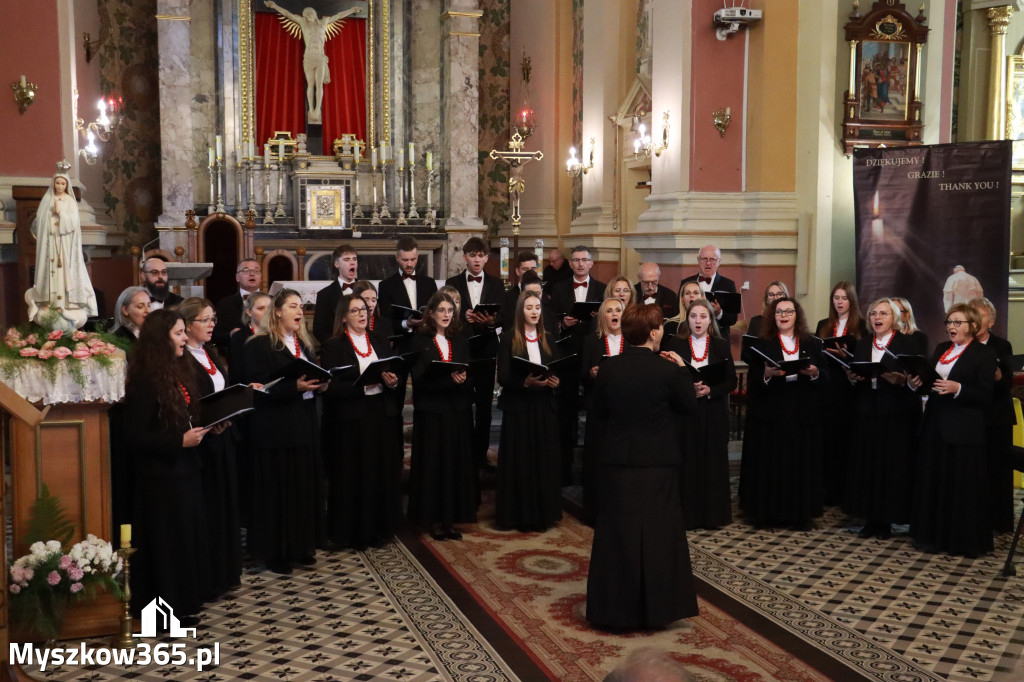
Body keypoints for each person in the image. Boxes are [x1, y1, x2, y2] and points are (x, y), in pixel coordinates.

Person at [586, 304, 699, 631]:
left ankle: (614, 610)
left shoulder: (609, 369)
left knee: (617, 535)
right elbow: (689, 407)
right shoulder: (667, 371)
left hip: (618, 462)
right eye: (660, 326)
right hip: (658, 464)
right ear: (652, 333)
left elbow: (598, 413)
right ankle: (658, 610)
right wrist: (683, 369)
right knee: (659, 536)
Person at [123, 309, 212, 627]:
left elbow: (186, 415)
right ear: (161, 339)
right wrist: (179, 441)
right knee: (165, 547)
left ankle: (183, 605)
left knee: (184, 542)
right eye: (178, 333)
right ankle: (162, 615)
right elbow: (134, 437)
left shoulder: (178, 371)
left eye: (184, 331)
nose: (185, 338)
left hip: (185, 470)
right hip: (160, 478)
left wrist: (210, 425)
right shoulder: (145, 381)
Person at [243, 289, 327, 573]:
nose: (299, 311)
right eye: (293, 306)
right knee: (278, 492)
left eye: (301, 306)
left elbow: (310, 377)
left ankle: (301, 546)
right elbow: (257, 387)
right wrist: (294, 387)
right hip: (275, 429)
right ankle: (276, 552)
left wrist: (321, 384)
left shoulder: (303, 343)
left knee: (301, 488)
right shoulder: (259, 344)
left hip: (303, 423)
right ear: (277, 311)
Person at [908, 303, 996, 557]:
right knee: (935, 482)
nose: (951, 327)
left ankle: (960, 540)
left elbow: (985, 394)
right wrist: (916, 383)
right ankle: (932, 536)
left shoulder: (984, 353)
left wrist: (958, 388)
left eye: (958, 322)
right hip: (935, 424)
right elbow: (932, 384)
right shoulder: (941, 349)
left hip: (963, 430)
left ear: (973, 326)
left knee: (960, 487)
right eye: (949, 322)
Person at [320, 294, 403, 549]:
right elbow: (330, 387)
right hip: (351, 419)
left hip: (380, 414)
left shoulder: (379, 340)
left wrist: (392, 382)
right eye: (355, 310)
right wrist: (363, 386)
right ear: (344, 317)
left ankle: (380, 529)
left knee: (379, 471)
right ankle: (353, 533)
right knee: (353, 474)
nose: (362, 314)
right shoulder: (334, 345)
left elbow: (393, 372)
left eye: (364, 309)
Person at [740, 297, 826, 529]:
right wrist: (766, 374)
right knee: (772, 465)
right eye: (779, 312)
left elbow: (826, 376)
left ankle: (799, 515)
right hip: (772, 413)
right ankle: (769, 514)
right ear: (772, 316)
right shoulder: (763, 344)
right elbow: (754, 378)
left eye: (789, 311)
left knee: (799, 466)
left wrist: (815, 373)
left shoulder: (812, 343)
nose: (784, 315)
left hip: (802, 414)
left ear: (797, 315)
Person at [179, 297, 242, 599]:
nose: (211, 324)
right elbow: (187, 402)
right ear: (187, 325)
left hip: (223, 438)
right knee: (209, 510)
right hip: (202, 444)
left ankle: (225, 572)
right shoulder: (181, 360)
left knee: (225, 506)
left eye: (213, 319)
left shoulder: (210, 352)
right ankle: (208, 578)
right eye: (204, 320)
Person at [843, 298, 920, 539]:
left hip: (895, 413)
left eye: (883, 313)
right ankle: (869, 519)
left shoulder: (907, 343)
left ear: (894, 318)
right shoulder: (863, 343)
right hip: (867, 411)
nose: (877, 317)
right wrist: (852, 379)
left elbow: (918, 379)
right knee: (867, 466)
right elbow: (856, 373)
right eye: (873, 313)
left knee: (890, 467)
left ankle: (885, 520)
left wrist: (904, 381)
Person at [407, 292, 477, 540]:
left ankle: (451, 518)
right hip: (432, 413)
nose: (446, 315)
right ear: (431, 313)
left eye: (450, 311)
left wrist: (463, 379)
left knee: (454, 465)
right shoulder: (419, 341)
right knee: (434, 465)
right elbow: (419, 379)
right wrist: (449, 380)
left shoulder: (460, 340)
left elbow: (470, 373)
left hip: (457, 411)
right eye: (442, 310)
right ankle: (433, 519)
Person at [663, 299, 736, 530]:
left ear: (710, 320)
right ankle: (686, 515)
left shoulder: (720, 345)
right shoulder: (676, 343)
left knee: (711, 463)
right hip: (685, 412)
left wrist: (710, 390)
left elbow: (731, 381)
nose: (698, 321)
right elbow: (668, 378)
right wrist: (688, 387)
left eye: (703, 316)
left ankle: (712, 515)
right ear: (687, 319)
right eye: (693, 316)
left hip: (712, 411)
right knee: (687, 461)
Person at [495, 290, 562, 532]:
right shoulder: (508, 338)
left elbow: (556, 369)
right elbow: (503, 376)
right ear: (520, 311)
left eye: (537, 307)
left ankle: (542, 514)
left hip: (543, 406)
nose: (534, 312)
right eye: (529, 307)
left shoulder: (549, 338)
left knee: (542, 460)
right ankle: (520, 516)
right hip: (519, 408)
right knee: (521, 461)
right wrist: (525, 382)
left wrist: (555, 382)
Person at [445, 237, 504, 470]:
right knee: (462, 404)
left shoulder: (497, 284)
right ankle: (463, 454)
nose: (477, 260)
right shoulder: (452, 282)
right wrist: (463, 317)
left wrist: (490, 321)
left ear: (486, 258)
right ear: (465, 257)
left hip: (486, 352)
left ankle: (480, 455)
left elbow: (503, 316)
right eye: (472, 255)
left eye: (481, 255)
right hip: (462, 351)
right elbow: (445, 313)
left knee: (484, 407)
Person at [549, 245, 607, 483]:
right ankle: (564, 469)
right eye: (576, 260)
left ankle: (593, 469)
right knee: (566, 413)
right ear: (570, 264)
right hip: (568, 357)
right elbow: (551, 320)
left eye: (585, 260)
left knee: (596, 410)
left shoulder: (602, 289)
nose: (581, 264)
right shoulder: (559, 288)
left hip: (595, 357)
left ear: (591, 263)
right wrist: (564, 323)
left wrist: (597, 319)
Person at [814, 281, 867, 506]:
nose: (840, 302)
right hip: (827, 388)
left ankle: (844, 490)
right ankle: (826, 488)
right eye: (836, 298)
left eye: (844, 298)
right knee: (826, 440)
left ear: (852, 301)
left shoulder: (862, 326)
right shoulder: (824, 324)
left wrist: (847, 357)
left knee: (845, 440)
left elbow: (864, 359)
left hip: (849, 388)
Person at [26, 167, 98, 329]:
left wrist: (60, 214)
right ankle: (50, 302)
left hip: (65, 244)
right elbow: (40, 222)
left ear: (67, 185)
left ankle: (66, 302)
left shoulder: (70, 201)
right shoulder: (47, 200)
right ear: (53, 183)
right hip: (50, 244)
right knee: (51, 271)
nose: (59, 186)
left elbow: (73, 223)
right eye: (57, 183)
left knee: (65, 271)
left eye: (62, 183)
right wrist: (50, 216)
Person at [263, 1, 359, 123]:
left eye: (311, 14)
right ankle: (311, 109)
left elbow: (338, 16)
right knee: (310, 84)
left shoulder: (324, 22)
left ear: (315, 14)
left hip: (320, 58)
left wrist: (352, 10)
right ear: (304, 16)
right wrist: (274, 6)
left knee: (319, 84)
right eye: (306, 14)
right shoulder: (303, 23)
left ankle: (317, 109)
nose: (309, 16)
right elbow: (288, 14)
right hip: (308, 58)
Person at [969, 296, 1015, 533]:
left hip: (996, 417)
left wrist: (997, 375)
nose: (975, 321)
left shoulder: (1002, 346)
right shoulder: (962, 345)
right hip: (971, 417)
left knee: (997, 469)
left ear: (991, 322)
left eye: (980, 316)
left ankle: (999, 521)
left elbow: (1007, 383)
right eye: (971, 316)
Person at [579, 297, 628, 524]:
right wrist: (591, 373)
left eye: (618, 310)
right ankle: (596, 511)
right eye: (609, 311)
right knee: (598, 458)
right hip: (599, 408)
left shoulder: (632, 340)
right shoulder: (592, 340)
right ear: (602, 316)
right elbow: (582, 373)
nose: (614, 314)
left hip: (625, 409)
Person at [377, 236, 439, 333]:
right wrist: (406, 324)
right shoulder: (385, 286)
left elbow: (436, 313)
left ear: (417, 256)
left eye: (413, 259)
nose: (409, 264)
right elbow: (385, 322)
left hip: (427, 337)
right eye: (405, 260)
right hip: (401, 339)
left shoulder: (429, 283)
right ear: (397, 258)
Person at [680, 244, 738, 340]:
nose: (708, 263)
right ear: (698, 260)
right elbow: (679, 310)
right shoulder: (686, 283)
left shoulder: (728, 285)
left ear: (719, 262)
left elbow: (732, 319)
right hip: (689, 337)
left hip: (718, 339)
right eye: (704, 259)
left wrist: (719, 313)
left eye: (712, 259)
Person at [213, 258, 262, 355]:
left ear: (261, 277)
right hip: (238, 355)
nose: (252, 274)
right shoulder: (225, 304)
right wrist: (230, 334)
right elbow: (215, 335)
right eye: (246, 270)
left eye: (256, 271)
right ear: (237, 277)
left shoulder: (272, 301)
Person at [312, 245, 358, 344]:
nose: (352, 262)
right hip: (338, 347)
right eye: (346, 259)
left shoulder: (366, 290)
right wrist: (336, 345)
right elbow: (319, 329)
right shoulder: (325, 295)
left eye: (354, 259)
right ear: (337, 264)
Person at [228, 291, 272, 385]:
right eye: (260, 308)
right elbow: (236, 372)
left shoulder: (279, 334)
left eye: (269, 308)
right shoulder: (239, 337)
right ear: (249, 312)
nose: (266, 312)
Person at [497, 252, 540, 332]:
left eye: (533, 269)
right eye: (525, 269)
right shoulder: (507, 298)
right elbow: (504, 325)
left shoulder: (544, 296)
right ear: (517, 271)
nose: (530, 272)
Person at [350, 279, 393, 345]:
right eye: (365, 300)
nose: (370, 304)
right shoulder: (349, 325)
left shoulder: (385, 324)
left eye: (373, 300)